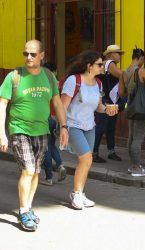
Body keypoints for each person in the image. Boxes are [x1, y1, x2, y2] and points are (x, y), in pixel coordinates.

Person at [0, 40, 68, 231]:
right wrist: (2, 133)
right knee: (28, 170)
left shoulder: (49, 77)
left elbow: (58, 103)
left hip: (42, 130)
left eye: (33, 54)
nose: (28, 57)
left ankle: (28, 207)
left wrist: (64, 127)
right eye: (25, 53)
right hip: (19, 130)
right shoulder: (14, 76)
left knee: (36, 171)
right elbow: (2, 104)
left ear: (42, 55)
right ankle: (23, 211)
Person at [61, 50, 117, 209]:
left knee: (85, 161)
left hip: (89, 126)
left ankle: (79, 192)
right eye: (99, 64)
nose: (102, 67)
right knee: (86, 158)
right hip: (73, 125)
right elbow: (62, 107)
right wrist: (63, 127)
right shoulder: (74, 80)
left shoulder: (98, 83)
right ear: (89, 66)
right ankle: (76, 194)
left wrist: (106, 109)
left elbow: (98, 106)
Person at [118, 47, 145, 177]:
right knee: (138, 138)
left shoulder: (124, 72)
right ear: (140, 58)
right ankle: (137, 167)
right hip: (141, 108)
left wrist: (131, 92)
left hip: (130, 107)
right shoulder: (141, 71)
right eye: (143, 59)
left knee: (132, 136)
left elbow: (121, 92)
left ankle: (133, 165)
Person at [93, 45, 125, 163]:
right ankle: (95, 153)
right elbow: (122, 75)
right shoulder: (109, 63)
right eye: (118, 53)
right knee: (102, 127)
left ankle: (110, 152)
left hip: (110, 100)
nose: (120, 56)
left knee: (109, 127)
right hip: (107, 100)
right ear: (110, 54)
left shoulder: (107, 64)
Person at [40, 62, 66, 186]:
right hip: (55, 119)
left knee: (46, 149)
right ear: (54, 71)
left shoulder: (41, 83)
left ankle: (49, 177)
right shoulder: (57, 84)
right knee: (51, 145)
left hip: (45, 118)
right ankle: (60, 165)